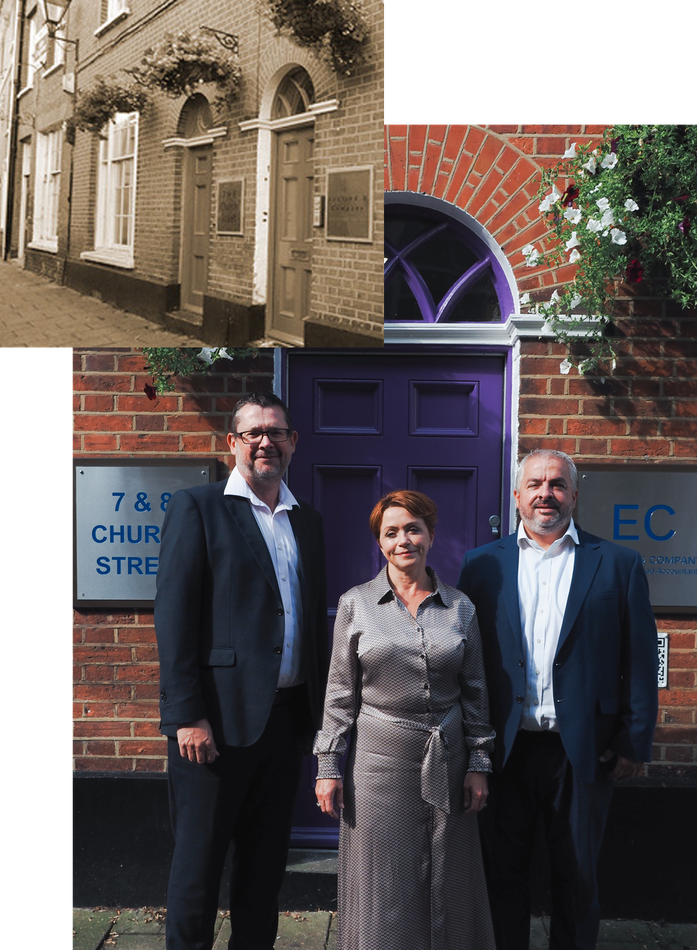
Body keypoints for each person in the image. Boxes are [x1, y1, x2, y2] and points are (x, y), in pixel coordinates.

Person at [457, 448, 658, 950]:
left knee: (577, 881)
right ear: (518, 495)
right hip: (505, 750)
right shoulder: (481, 566)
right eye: (536, 484)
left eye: (557, 484)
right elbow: (465, 659)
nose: (546, 494)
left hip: (583, 750)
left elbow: (638, 659)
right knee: (504, 878)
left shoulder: (618, 564)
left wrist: (636, 740)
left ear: (574, 494)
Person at [154, 391, 328, 950]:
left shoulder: (307, 522)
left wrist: (314, 720)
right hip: (214, 728)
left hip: (283, 725)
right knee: (197, 874)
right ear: (232, 443)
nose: (265, 442)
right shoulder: (198, 508)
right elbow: (175, 619)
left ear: (292, 443)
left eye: (275, 432)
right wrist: (187, 715)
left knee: (263, 872)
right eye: (252, 432)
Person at [314, 490, 496, 950]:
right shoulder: (355, 604)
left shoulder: (460, 608)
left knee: (447, 871)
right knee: (384, 877)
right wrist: (329, 767)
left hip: (448, 760)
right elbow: (339, 696)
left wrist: (479, 763)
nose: (403, 540)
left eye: (413, 529)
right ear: (379, 543)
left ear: (431, 535)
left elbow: (475, 692)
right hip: (378, 765)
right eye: (391, 532)